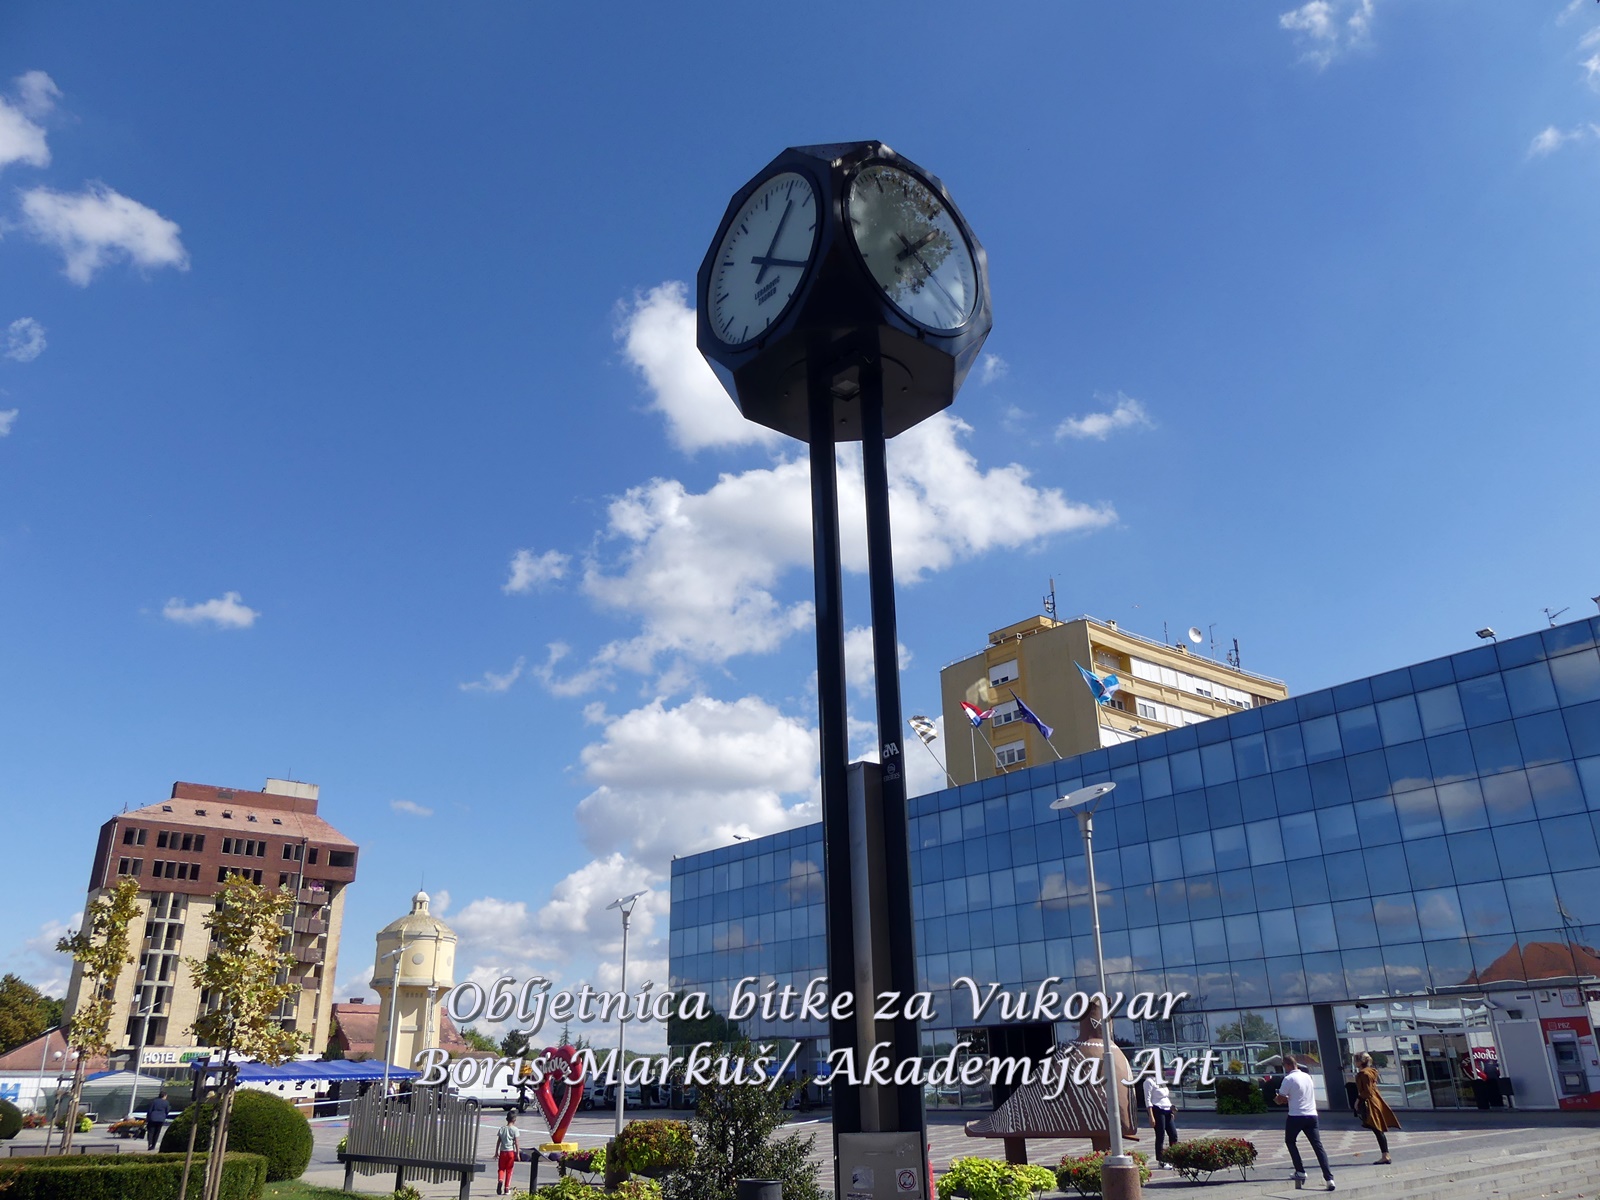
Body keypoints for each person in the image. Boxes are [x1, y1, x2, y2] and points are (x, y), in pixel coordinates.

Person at [1274, 1054, 1334, 1191]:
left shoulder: (1288, 1079)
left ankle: (1300, 1170)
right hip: (1312, 1114)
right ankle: (1329, 1178)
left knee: (1290, 1141)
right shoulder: (1307, 1076)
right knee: (1318, 1146)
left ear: (1287, 1065)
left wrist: (1277, 1098)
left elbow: (1280, 1099)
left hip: (1296, 1115)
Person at [1352, 1052, 1399, 1164]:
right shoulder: (1371, 1071)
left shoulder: (1364, 1074)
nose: (1354, 1063)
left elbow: (1367, 1092)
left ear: (1360, 1062)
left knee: (1377, 1129)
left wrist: (1357, 1100)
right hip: (1375, 1100)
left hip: (1370, 1103)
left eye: (1355, 1060)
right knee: (1377, 1129)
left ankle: (1386, 1155)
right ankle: (1385, 1155)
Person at [1142, 1065, 1179, 1167]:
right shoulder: (1148, 1082)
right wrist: (1151, 1116)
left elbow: (1165, 1096)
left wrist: (1171, 1108)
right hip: (1157, 1110)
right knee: (1160, 1135)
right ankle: (1161, 1160)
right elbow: (1147, 1100)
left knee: (1173, 1134)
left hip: (1167, 1110)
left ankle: (1174, 1158)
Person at [495, 1111, 521, 1195]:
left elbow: (498, 1141)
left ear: (507, 1119)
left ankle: (500, 1180)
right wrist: (518, 1153)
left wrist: (496, 1152)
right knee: (509, 1170)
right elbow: (516, 1143)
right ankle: (506, 1188)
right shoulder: (515, 1129)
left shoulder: (502, 1129)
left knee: (501, 1169)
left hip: (503, 1152)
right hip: (510, 1152)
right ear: (514, 1120)